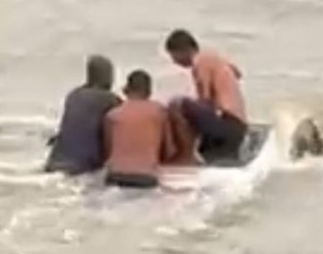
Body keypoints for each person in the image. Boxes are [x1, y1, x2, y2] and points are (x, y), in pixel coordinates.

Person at [164, 29, 247, 163]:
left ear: (184, 50)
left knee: (178, 104)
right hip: (239, 124)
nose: (174, 61)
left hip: (227, 121)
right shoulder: (216, 59)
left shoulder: (201, 62)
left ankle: (185, 156)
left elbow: (205, 100)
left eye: (174, 56)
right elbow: (237, 74)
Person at [45, 55, 120, 175]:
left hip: (54, 162)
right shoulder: (111, 100)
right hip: (83, 167)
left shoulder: (74, 95)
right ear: (105, 76)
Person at [103, 70, 175, 189]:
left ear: (127, 90)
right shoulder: (159, 111)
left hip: (115, 176)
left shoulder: (112, 115)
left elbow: (108, 152)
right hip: (145, 178)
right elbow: (168, 151)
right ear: (149, 92)